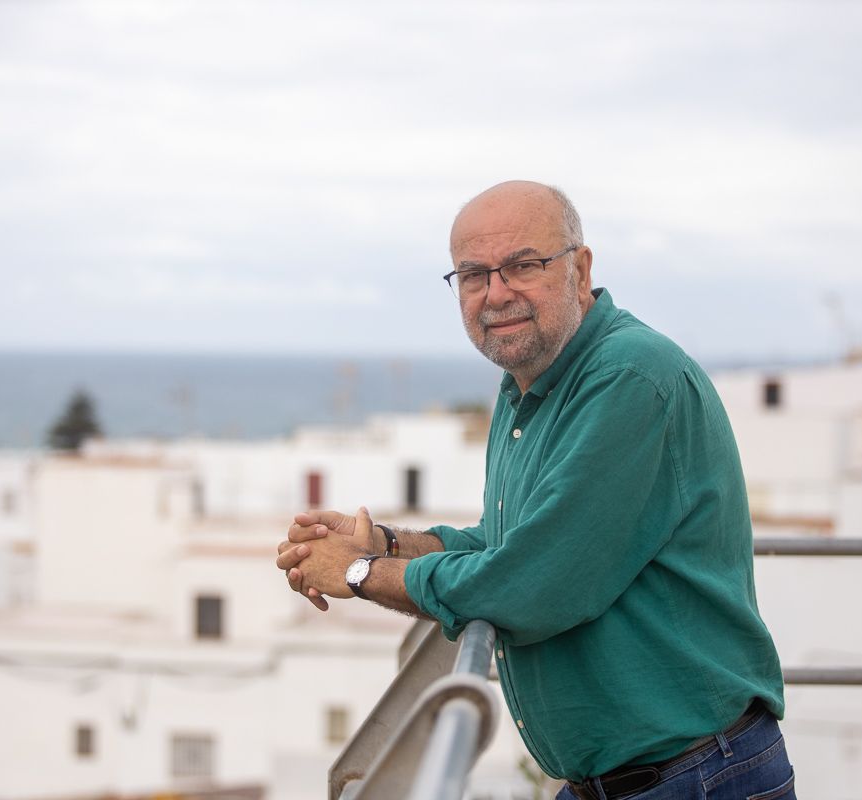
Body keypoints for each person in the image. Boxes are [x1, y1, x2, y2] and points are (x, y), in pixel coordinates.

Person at [275, 180, 793, 799]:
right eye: (473, 275)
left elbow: (531, 586)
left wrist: (359, 573)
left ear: (581, 267)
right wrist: (384, 543)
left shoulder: (630, 378)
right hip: (623, 782)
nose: (496, 293)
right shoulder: (530, 381)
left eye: (522, 265)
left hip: (697, 780)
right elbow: (506, 544)